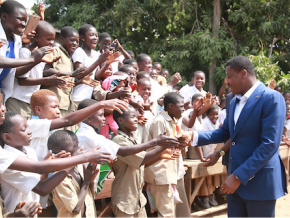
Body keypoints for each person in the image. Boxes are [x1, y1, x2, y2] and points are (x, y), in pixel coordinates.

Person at [182, 56, 287, 217]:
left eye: (229, 77)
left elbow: (269, 144)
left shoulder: (271, 98)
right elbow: (226, 133)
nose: (227, 82)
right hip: (234, 182)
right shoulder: (232, 99)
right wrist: (193, 136)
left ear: (243, 73)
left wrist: (238, 176)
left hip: (258, 182)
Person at [111, 106, 178, 217]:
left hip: (137, 199)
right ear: (120, 120)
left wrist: (162, 152)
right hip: (125, 199)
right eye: (133, 117)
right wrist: (157, 143)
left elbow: (142, 163)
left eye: (137, 117)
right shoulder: (118, 140)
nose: (137, 119)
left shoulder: (133, 138)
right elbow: (141, 160)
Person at [28, 89, 128, 161]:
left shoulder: (52, 129)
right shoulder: (32, 125)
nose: (58, 112)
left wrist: (83, 155)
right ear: (38, 110)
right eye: (54, 107)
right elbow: (68, 121)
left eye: (58, 107)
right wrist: (101, 104)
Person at [144, 92, 190, 217]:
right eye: (181, 106)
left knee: (169, 210)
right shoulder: (160, 121)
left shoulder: (172, 121)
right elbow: (159, 149)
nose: (183, 109)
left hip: (169, 173)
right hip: (160, 174)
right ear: (170, 106)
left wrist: (180, 145)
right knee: (166, 212)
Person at [6, 20, 63, 120]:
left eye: (53, 39)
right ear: (36, 38)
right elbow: (21, 80)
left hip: (29, 101)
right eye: (49, 39)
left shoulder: (41, 54)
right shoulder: (25, 52)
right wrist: (47, 80)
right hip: (18, 99)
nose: (52, 43)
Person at [49, 130, 98, 217]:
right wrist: (86, 181)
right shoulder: (58, 178)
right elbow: (75, 209)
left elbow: (88, 197)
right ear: (63, 152)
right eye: (75, 146)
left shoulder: (78, 167)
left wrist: (91, 179)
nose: (80, 148)